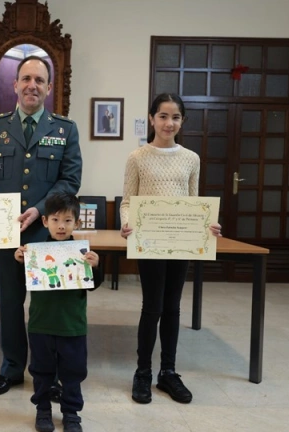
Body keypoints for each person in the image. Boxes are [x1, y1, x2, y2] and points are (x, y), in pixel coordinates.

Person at [0, 55, 82, 397]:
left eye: (39, 80)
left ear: (49, 88)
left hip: (49, 234)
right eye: (27, 78)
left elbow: (70, 180)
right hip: (7, 234)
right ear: (15, 84)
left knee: (50, 309)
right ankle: (12, 368)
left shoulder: (65, 129)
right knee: (9, 304)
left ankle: (49, 372)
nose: (33, 85)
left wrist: (38, 210)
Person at [120, 93, 222, 405]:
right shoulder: (137, 157)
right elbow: (127, 201)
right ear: (152, 119)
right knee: (151, 307)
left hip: (181, 242)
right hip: (149, 242)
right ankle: (142, 372)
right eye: (163, 116)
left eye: (175, 117)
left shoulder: (191, 158)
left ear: (182, 121)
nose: (169, 123)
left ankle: (168, 371)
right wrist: (127, 223)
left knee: (173, 307)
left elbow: (194, 203)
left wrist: (207, 225)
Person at [14, 192, 101, 432]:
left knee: (73, 371)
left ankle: (71, 413)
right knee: (41, 371)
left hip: (72, 325)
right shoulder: (35, 252)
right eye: (55, 220)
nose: (61, 226)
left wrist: (95, 267)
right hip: (41, 323)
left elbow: (92, 286)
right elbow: (25, 282)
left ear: (77, 223)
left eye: (67, 220)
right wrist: (20, 262)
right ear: (45, 221)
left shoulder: (83, 254)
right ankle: (43, 410)